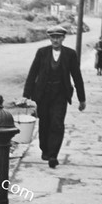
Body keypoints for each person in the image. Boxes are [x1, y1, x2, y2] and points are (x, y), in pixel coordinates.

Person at [23, 25, 86, 168]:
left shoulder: (70, 54)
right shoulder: (42, 53)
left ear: (63, 38)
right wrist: (26, 96)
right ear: (49, 38)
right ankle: (45, 149)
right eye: (53, 37)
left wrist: (82, 99)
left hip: (60, 94)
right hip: (42, 95)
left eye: (58, 37)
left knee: (57, 123)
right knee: (44, 123)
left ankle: (53, 155)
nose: (56, 40)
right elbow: (32, 74)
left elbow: (77, 76)